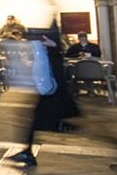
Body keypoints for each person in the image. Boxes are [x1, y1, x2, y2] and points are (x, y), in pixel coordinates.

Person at [9, 33, 79, 167]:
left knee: (85, 127)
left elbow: (55, 68)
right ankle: (28, 152)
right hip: (51, 95)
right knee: (35, 121)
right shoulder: (47, 51)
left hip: (55, 96)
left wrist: (54, 47)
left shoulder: (53, 52)